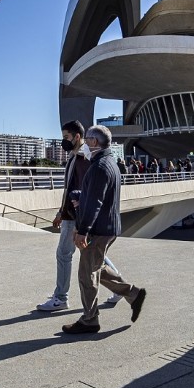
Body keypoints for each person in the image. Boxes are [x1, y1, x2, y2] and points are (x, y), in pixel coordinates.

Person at [63, 125, 147, 334]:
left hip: (98, 229)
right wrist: (79, 195)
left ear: (93, 142)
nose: (85, 144)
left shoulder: (99, 166)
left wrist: (82, 230)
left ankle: (90, 320)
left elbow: (95, 203)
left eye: (88, 140)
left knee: (86, 275)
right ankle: (133, 294)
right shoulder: (110, 163)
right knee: (96, 268)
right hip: (107, 226)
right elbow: (96, 194)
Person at [37, 121, 123, 313]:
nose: (63, 141)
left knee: (65, 254)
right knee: (94, 256)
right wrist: (61, 211)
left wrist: (81, 221)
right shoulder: (75, 155)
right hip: (70, 213)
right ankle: (121, 288)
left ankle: (61, 298)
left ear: (77, 137)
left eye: (66, 137)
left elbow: (88, 190)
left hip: (77, 216)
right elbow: (69, 187)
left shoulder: (85, 157)